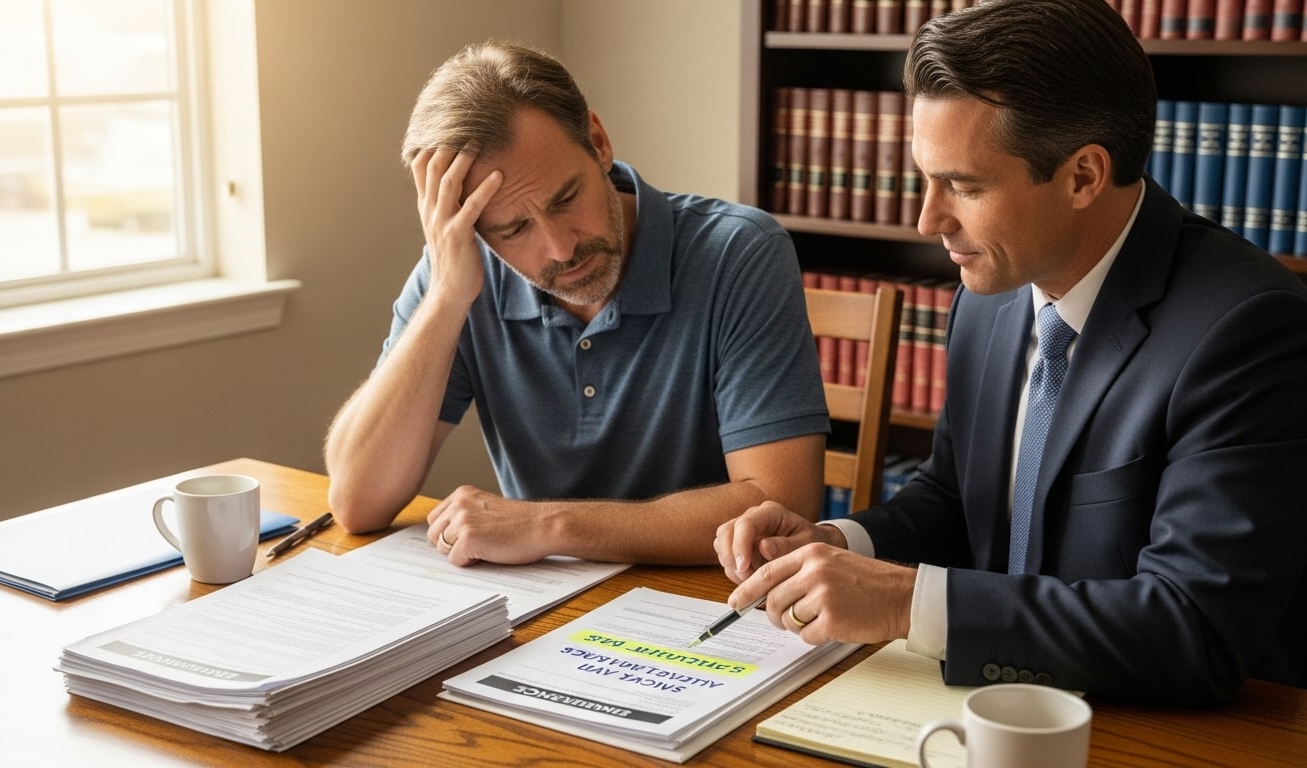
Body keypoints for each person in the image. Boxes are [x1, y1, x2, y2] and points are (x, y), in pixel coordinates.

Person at [715, 0, 1307, 705]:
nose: (927, 219)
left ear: (1084, 175)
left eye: (963, 186)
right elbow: (957, 499)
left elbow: (1194, 629)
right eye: (925, 178)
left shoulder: (1248, 329)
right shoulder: (989, 294)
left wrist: (909, 604)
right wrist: (837, 547)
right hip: (991, 706)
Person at [324, 41, 829, 567]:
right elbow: (358, 503)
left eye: (566, 199)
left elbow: (781, 506)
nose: (561, 249)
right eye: (515, 229)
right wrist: (445, 299)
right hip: (540, 614)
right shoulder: (460, 272)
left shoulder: (739, 252)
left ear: (598, 141)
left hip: (707, 607)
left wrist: (549, 525)